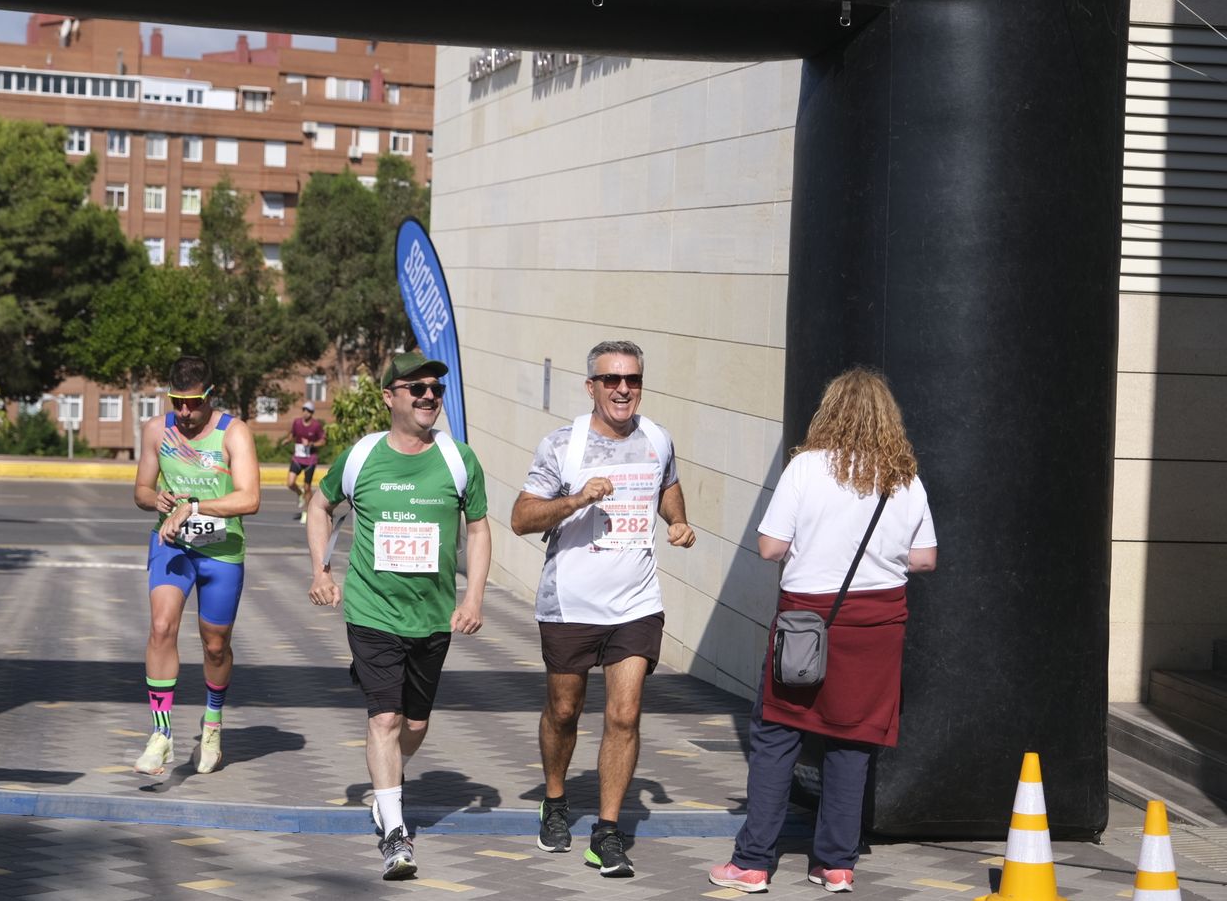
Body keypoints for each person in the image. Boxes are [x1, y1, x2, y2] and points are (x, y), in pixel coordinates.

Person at [708, 367, 937, 894]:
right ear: (888, 419)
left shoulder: (806, 468)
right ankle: (835, 863)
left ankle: (752, 863)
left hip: (808, 622)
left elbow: (770, 546)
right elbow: (925, 559)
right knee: (853, 742)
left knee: (775, 736)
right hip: (878, 627)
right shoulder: (903, 476)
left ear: (828, 412)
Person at [509, 339, 696, 878]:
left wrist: (677, 521)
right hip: (570, 602)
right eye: (611, 379)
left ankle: (608, 832)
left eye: (632, 380)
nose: (622, 389)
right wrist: (577, 499)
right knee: (564, 711)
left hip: (636, 602)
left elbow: (668, 487)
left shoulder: (658, 438)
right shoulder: (563, 446)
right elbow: (522, 518)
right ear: (590, 386)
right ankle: (555, 797)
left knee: (624, 713)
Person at [305, 351, 491, 881]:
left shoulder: (459, 460)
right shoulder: (362, 457)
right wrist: (322, 572)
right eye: (417, 388)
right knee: (383, 719)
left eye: (435, 388)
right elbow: (319, 507)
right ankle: (394, 832)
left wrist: (472, 598)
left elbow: (477, 528)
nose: (429, 395)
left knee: (414, 723)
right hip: (371, 609)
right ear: (390, 398)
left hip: (431, 615)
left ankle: (386, 786)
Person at [132, 356, 261, 777]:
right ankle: (161, 733)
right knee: (161, 627)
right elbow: (141, 489)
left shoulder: (234, 432)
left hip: (221, 548)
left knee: (215, 645)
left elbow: (250, 499)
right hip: (172, 543)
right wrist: (158, 501)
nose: (184, 413)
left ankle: (212, 724)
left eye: (193, 404)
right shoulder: (156, 429)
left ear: (210, 395)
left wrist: (193, 507)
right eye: (177, 402)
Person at [287, 401, 326, 523]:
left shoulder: (316, 426)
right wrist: (287, 440)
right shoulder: (297, 423)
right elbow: (292, 435)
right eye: (304, 410)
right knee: (290, 483)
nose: (305, 413)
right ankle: (300, 494)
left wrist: (311, 444)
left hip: (310, 460)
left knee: (307, 487)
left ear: (312, 413)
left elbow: (323, 441)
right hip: (297, 458)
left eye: (308, 411)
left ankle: (306, 512)